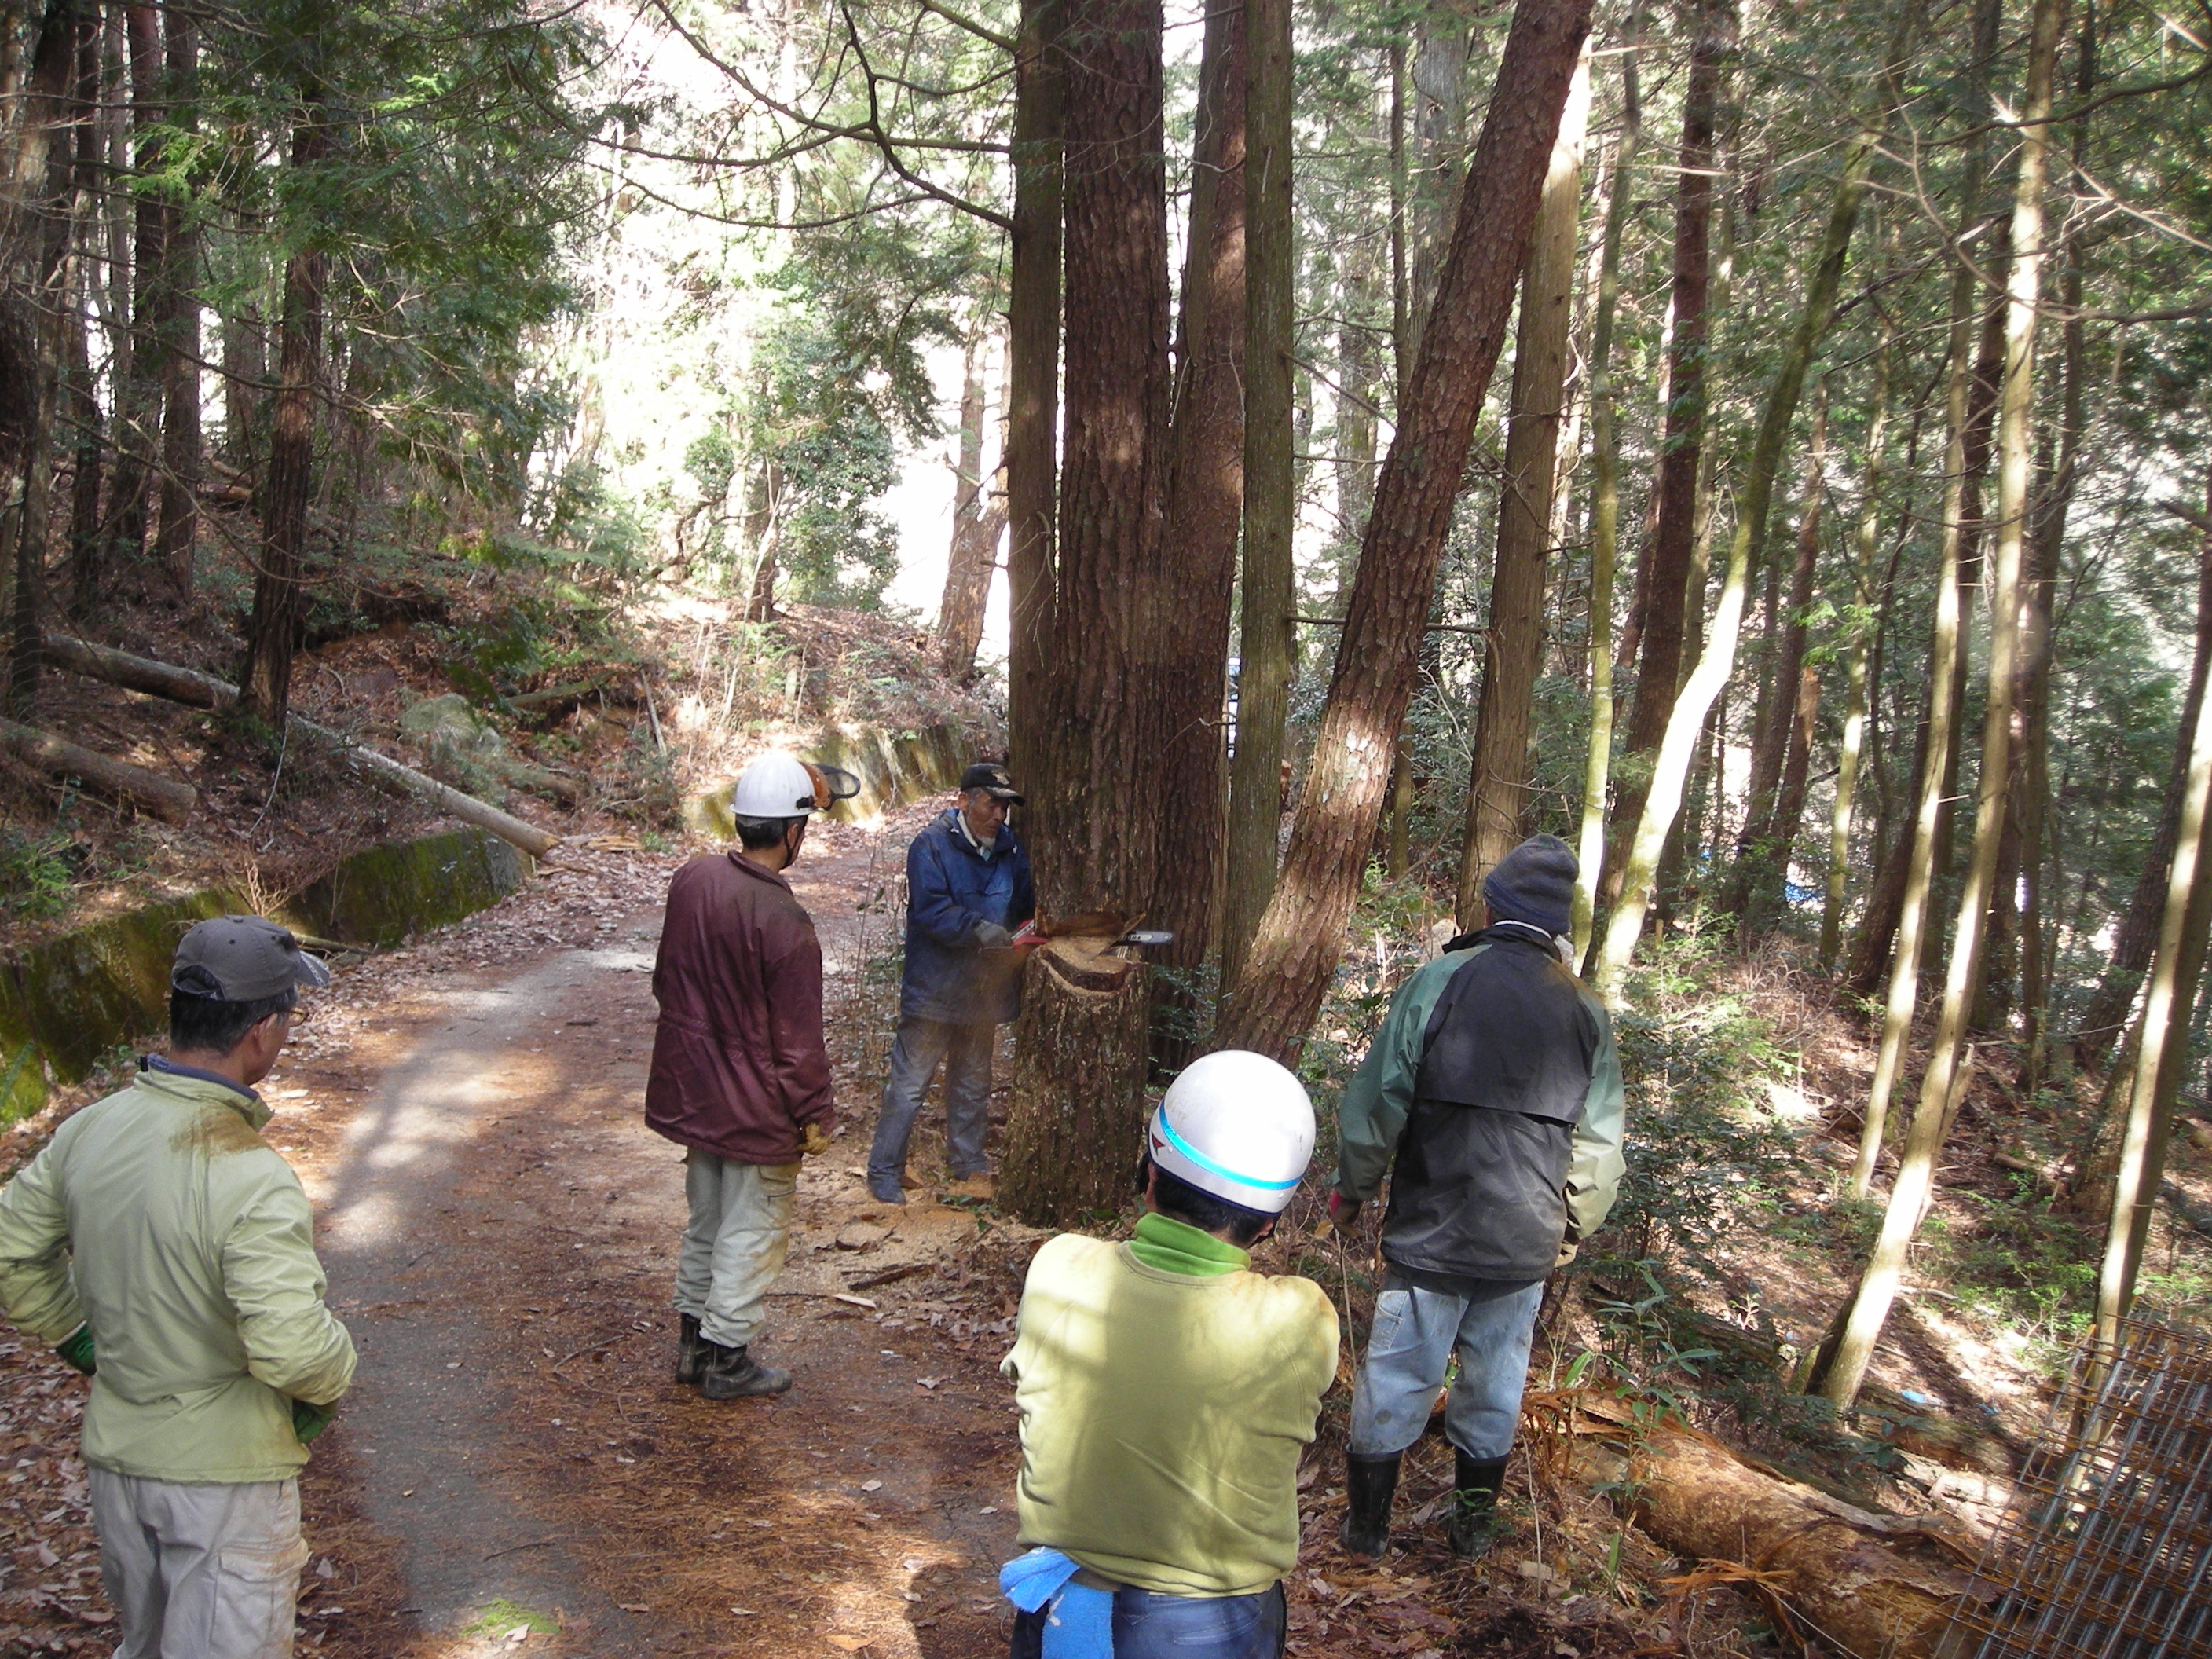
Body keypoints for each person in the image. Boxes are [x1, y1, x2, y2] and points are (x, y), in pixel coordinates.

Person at [0, 915, 356, 1659]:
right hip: (224, 1486)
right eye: (286, 1016)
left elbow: (11, 1251)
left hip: (120, 1466)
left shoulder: (87, 1130)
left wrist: (82, 1339)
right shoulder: (250, 1175)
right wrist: (334, 1375)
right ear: (262, 1029)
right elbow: (293, 1350)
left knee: (149, 1645)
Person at [1329, 832, 1626, 1560]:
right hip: (1524, 1242)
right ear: (1557, 924)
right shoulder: (1585, 1010)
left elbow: (1378, 1099)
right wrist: (1572, 1225)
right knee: (1494, 1392)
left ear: (1492, 904)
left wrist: (1353, 1189)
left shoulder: (1440, 981)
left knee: (1396, 1377)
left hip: (1431, 1229)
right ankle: (1471, 1541)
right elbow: (1601, 1145)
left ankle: (1366, 1535)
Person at [999, 1050, 1339, 1659]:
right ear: (1266, 1226)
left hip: (1065, 1602)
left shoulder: (1059, 1267)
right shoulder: (1301, 1318)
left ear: (1149, 1176)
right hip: (1210, 1618)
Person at [646, 750, 853, 1401]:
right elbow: (797, 1045)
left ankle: (691, 1348)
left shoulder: (692, 880)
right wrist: (814, 1114)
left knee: (706, 1218)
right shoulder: (788, 925)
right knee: (753, 1226)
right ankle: (727, 1360)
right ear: (794, 832)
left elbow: (666, 983)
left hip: (696, 1095)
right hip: (757, 1109)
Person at [866, 760, 1037, 1205]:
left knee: (972, 1082)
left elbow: (1023, 907)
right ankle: (884, 1172)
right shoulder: (931, 846)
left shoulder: (1011, 850)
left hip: (983, 993)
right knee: (909, 1085)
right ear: (963, 801)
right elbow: (930, 910)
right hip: (934, 992)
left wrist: (1022, 937)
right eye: (990, 804)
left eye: (1005, 807)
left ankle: (968, 1165)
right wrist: (978, 928)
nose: (998, 815)